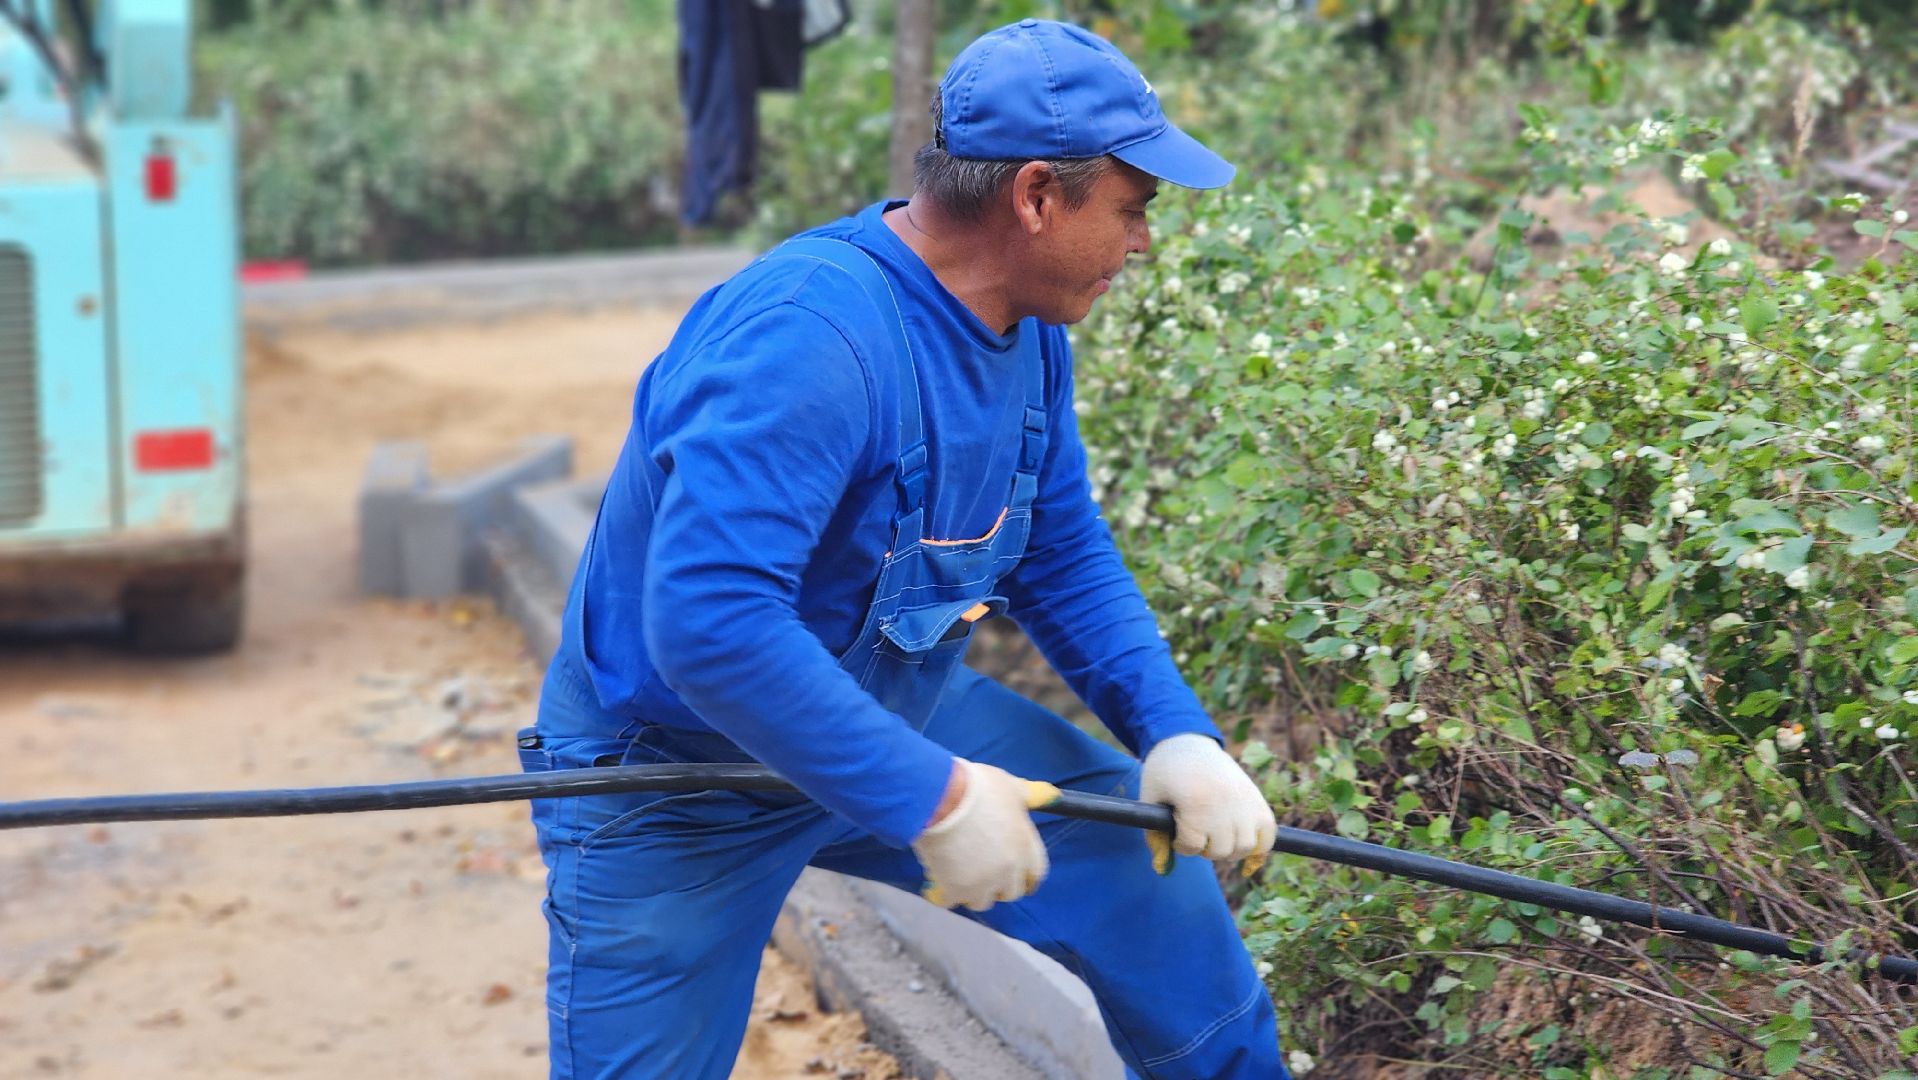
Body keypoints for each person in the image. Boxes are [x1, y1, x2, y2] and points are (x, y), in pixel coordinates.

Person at [517, 17, 1288, 1079]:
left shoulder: (1025, 333)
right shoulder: (809, 339)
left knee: (1134, 858)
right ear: (1034, 196)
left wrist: (1175, 733)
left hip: (887, 715)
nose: (1143, 241)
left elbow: (1059, 556)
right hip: (677, 783)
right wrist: (934, 798)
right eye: (1134, 207)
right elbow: (709, 624)